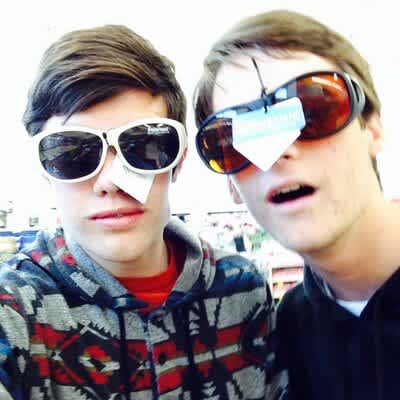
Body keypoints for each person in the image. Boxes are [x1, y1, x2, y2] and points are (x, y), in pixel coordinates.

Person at [0, 24, 277, 399]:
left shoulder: (244, 290)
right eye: (72, 152)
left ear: (178, 160)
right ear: (45, 170)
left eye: (145, 145)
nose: (109, 183)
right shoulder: (15, 310)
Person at [193, 9, 400, 400]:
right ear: (232, 186)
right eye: (236, 138)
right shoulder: (282, 333)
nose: (278, 152)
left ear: (372, 129)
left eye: (313, 110)